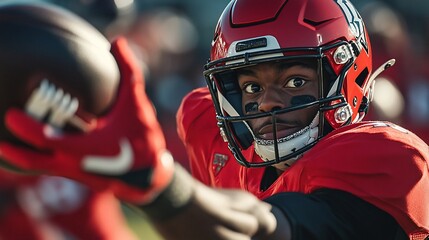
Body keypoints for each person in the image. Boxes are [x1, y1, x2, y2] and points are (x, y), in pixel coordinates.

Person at [0, 0, 428, 240]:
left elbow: (266, 228)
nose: (266, 104)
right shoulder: (211, 131)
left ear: (346, 73)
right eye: (251, 88)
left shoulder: (391, 159)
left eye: (295, 80)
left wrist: (161, 187)